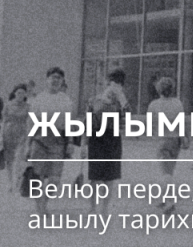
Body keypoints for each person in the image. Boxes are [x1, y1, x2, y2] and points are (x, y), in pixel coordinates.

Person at [25, 67, 74, 213]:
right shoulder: (39, 99)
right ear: (47, 80)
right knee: (38, 176)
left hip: (58, 141)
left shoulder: (66, 100)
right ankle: (40, 207)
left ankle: (44, 202)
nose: (55, 80)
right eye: (53, 77)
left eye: (59, 77)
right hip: (39, 140)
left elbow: (69, 123)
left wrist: (70, 142)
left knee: (54, 180)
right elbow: (31, 123)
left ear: (62, 81)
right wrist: (28, 144)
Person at [81, 68, 130, 214]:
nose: (114, 87)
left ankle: (104, 208)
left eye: (118, 84)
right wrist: (84, 144)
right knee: (95, 177)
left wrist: (122, 100)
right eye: (112, 83)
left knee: (110, 177)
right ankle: (93, 207)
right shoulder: (94, 101)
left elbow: (127, 121)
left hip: (113, 139)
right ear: (107, 83)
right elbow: (87, 123)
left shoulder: (121, 103)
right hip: (96, 139)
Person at [146, 77, 184, 214]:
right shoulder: (178, 103)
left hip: (162, 140)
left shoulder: (154, 105)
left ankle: (170, 201)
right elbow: (181, 123)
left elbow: (150, 125)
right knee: (169, 171)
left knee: (164, 173)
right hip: (175, 141)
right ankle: (163, 198)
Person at [2, 84, 30, 191]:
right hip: (8, 134)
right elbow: (4, 121)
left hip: (22, 135)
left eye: (23, 93)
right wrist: (1, 136)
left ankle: (17, 179)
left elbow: (31, 122)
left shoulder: (28, 107)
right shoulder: (8, 105)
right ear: (14, 94)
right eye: (18, 93)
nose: (20, 95)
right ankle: (10, 182)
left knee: (18, 159)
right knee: (9, 160)